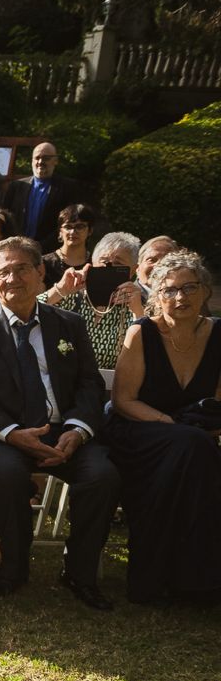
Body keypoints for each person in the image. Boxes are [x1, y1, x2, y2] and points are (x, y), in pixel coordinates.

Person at [0, 237, 120, 607]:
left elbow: (90, 382)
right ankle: (13, 568)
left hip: (65, 431)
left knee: (102, 475)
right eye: (4, 272)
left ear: (41, 273)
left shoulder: (69, 325)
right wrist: (12, 435)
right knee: (8, 476)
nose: (13, 278)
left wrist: (77, 430)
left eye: (22, 268)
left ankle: (80, 572)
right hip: (5, 436)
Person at [103, 250, 221, 604]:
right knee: (190, 447)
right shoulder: (141, 334)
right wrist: (171, 424)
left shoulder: (218, 335)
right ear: (156, 296)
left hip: (196, 439)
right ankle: (194, 582)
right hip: (137, 430)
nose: (181, 297)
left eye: (189, 288)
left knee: (192, 452)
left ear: (205, 292)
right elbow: (124, 400)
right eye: (170, 290)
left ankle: (176, 578)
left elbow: (216, 401)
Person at [44, 230, 145, 368]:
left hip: (111, 386)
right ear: (92, 262)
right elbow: (25, 311)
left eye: (118, 263)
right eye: (104, 261)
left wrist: (137, 311)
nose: (108, 267)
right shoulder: (70, 295)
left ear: (133, 270)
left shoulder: (137, 305)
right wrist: (60, 290)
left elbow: (147, 348)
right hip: (65, 382)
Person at [3, 142, 82, 244]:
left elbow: (71, 220)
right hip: (17, 247)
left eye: (46, 158)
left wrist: (44, 245)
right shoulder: (17, 186)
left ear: (56, 161)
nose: (40, 162)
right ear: (32, 161)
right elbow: (6, 217)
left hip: (50, 249)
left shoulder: (68, 188)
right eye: (37, 158)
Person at [40, 203, 95, 287]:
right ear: (60, 232)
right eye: (68, 227)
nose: (73, 232)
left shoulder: (95, 264)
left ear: (90, 231)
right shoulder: (45, 263)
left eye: (79, 226)